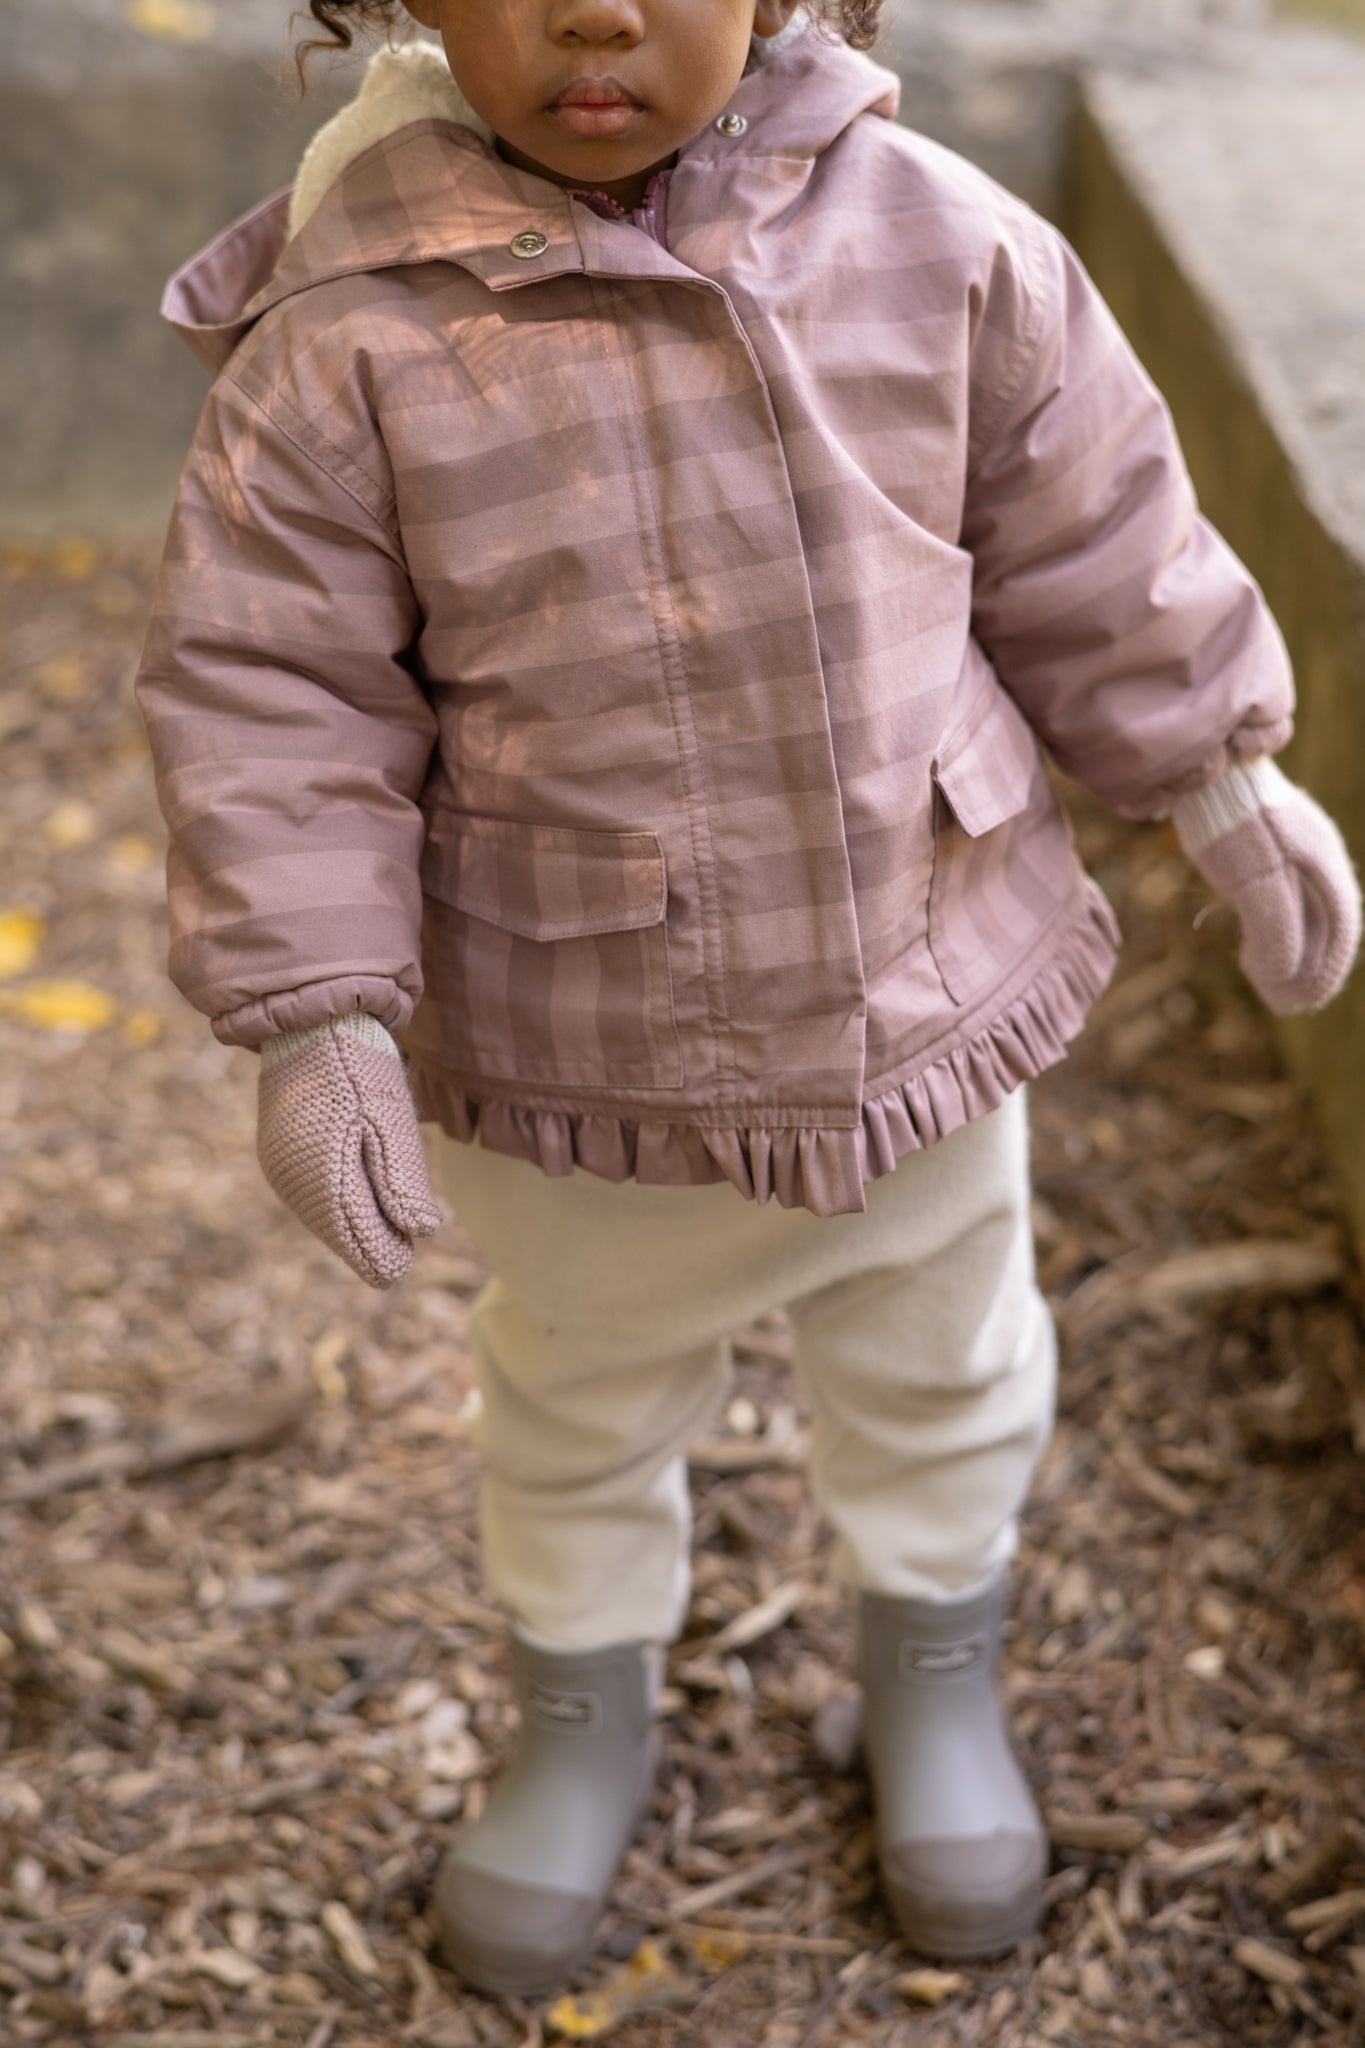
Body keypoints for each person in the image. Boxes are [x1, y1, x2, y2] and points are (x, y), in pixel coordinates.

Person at [132, 0, 1361, 2000]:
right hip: (577, 1030)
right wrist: (313, 1008)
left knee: (946, 1365)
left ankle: (931, 1680)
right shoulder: (352, 337)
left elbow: (1092, 531)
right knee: (576, 1392)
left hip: (913, 977)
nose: (594, 14)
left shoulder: (938, 242)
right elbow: (278, 692)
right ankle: (578, 1714)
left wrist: (1219, 777)